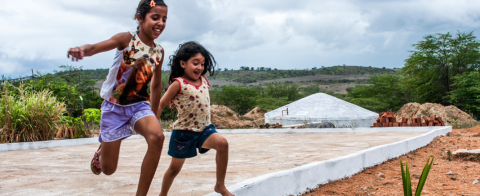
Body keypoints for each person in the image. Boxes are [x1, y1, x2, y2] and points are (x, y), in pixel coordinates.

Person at [67, 0, 167, 195]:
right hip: (114, 108)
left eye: (164, 19)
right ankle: (102, 151)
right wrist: (82, 50)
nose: (161, 23)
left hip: (139, 106)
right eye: (155, 17)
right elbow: (96, 47)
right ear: (140, 17)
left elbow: (155, 85)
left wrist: (154, 115)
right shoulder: (126, 39)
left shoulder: (159, 51)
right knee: (108, 169)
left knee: (157, 137)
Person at [157, 42, 234, 196]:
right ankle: (162, 195)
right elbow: (161, 104)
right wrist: (152, 126)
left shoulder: (204, 80)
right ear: (183, 63)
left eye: (203, 64)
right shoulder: (178, 84)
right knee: (174, 170)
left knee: (223, 144)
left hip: (205, 130)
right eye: (195, 63)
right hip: (184, 133)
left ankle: (220, 185)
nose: (200, 67)